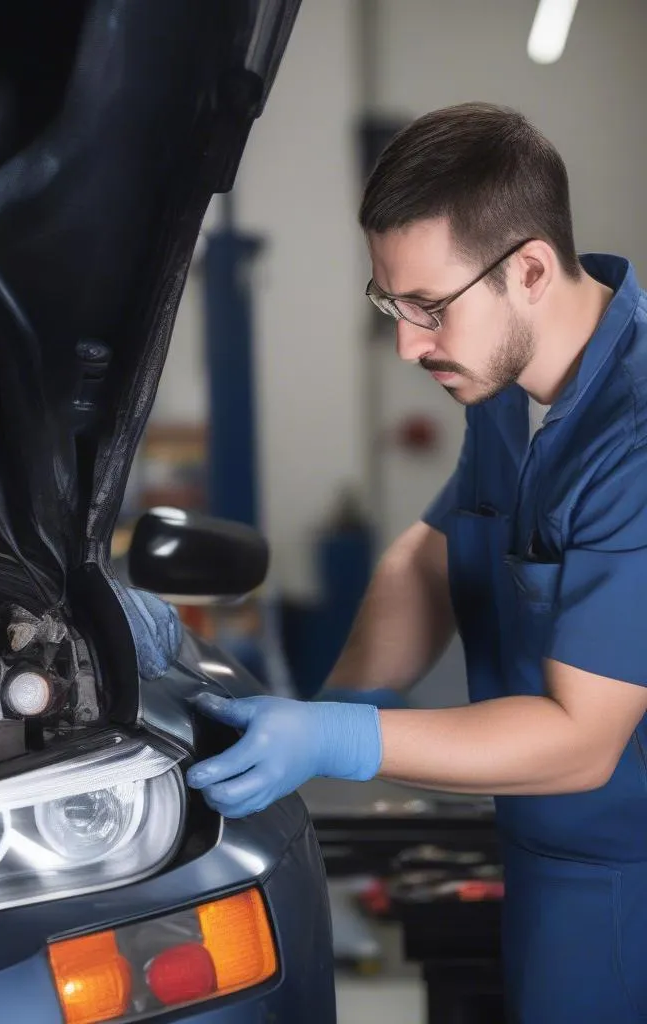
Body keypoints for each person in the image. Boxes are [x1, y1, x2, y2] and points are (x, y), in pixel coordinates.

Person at [186, 102, 647, 1023]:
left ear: (529, 270)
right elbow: (432, 554)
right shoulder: (505, 384)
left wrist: (341, 746)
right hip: (537, 845)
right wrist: (342, 703)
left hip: (624, 879)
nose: (408, 343)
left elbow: (581, 739)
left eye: (429, 308)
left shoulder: (635, 437)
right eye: (391, 305)